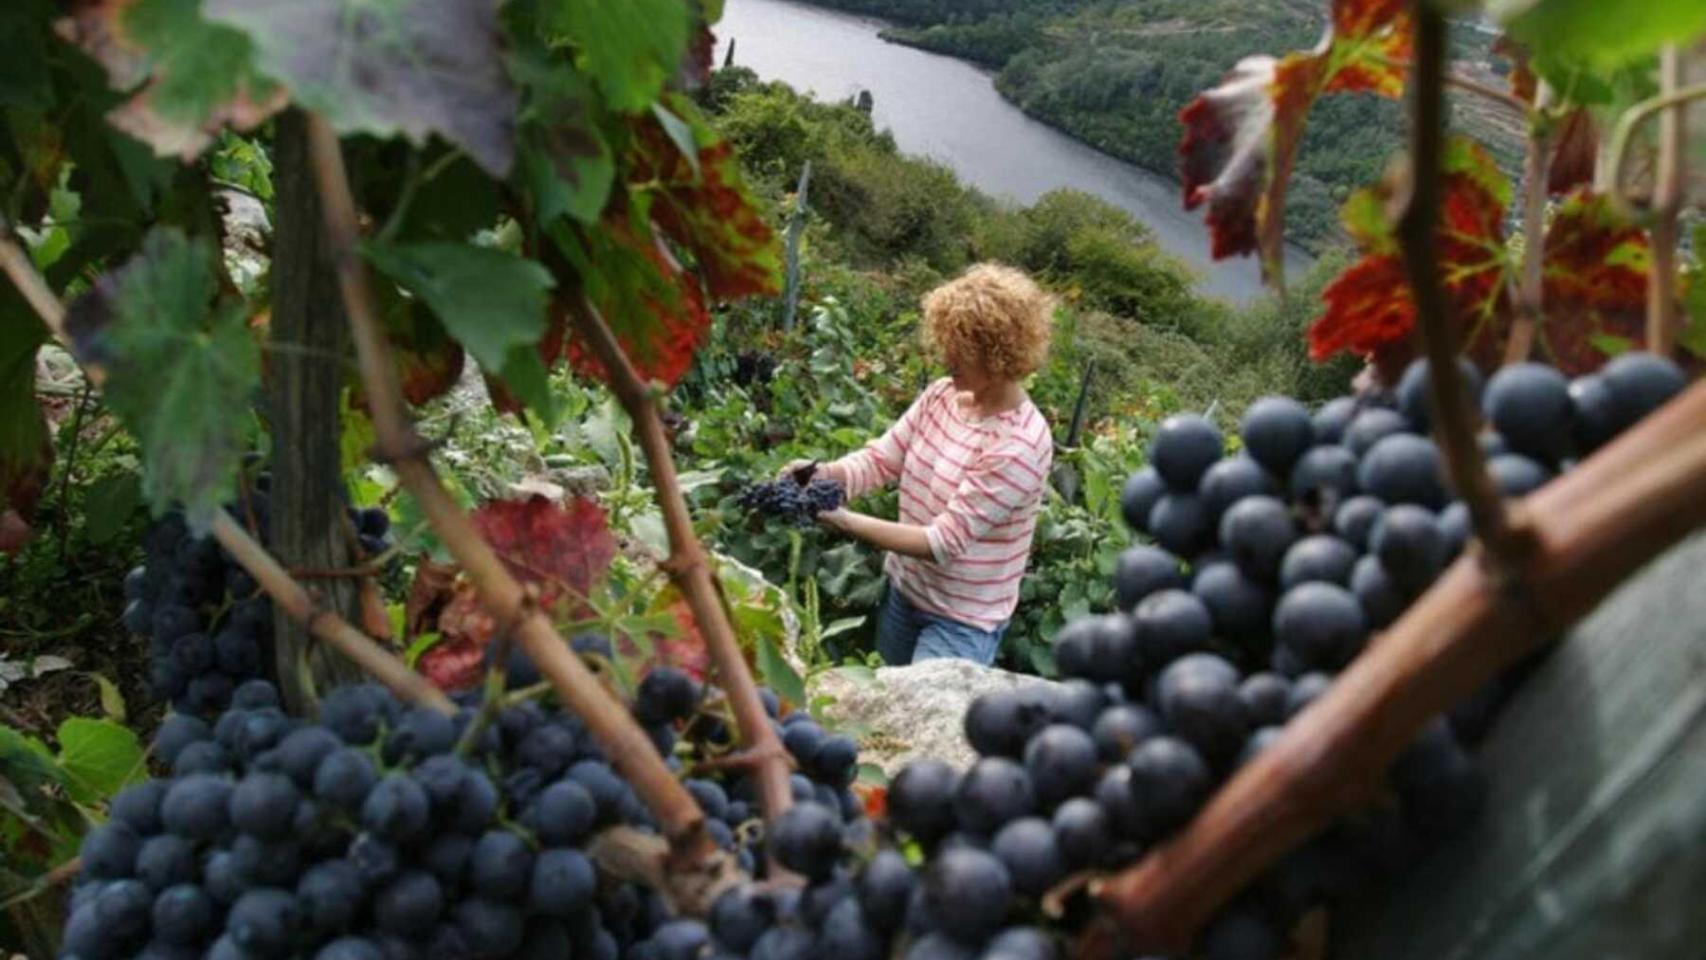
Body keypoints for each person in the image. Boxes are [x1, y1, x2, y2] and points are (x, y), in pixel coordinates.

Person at [787, 263, 1054, 666]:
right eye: (947, 342)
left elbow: (942, 542)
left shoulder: (1019, 445)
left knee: (910, 728)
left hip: (960, 625)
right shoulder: (941, 396)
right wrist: (823, 474)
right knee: (883, 717)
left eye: (961, 349)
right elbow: (880, 460)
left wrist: (842, 520)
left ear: (999, 355)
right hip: (905, 593)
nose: (947, 358)